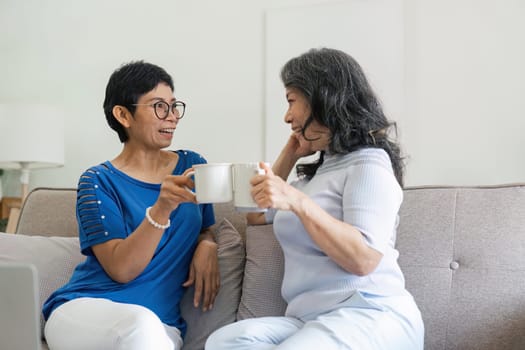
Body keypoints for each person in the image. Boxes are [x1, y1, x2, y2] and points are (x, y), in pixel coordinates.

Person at [205, 48, 424, 349]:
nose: (287, 116)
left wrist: (296, 201)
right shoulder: (315, 175)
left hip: (369, 313)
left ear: (322, 97)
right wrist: (290, 155)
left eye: (291, 101)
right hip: (310, 320)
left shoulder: (369, 163)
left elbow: (363, 259)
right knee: (226, 341)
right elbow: (256, 216)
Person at [43, 61, 220, 350]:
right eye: (159, 106)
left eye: (174, 106)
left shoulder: (193, 166)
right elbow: (122, 269)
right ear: (123, 114)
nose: (172, 116)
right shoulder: (97, 181)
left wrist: (207, 244)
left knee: (146, 328)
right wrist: (161, 209)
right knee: (140, 324)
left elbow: (205, 228)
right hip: (86, 313)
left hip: (161, 325)